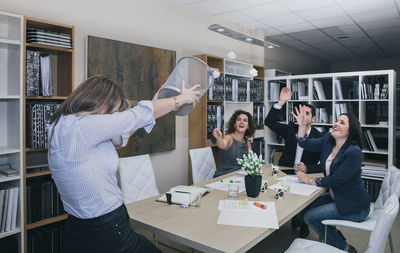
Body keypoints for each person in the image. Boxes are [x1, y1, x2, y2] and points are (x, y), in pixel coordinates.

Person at [48, 75, 200, 253]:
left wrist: (155, 102)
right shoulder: (83, 127)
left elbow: (122, 133)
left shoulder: (63, 125)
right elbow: (136, 116)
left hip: (78, 227)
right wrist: (180, 99)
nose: (114, 115)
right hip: (106, 227)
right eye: (113, 111)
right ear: (100, 100)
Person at [293, 105, 370, 252]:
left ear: (350, 130)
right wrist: (301, 125)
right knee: (303, 210)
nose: (336, 124)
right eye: (336, 120)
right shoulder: (328, 140)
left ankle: (344, 247)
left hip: (354, 205)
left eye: (342, 122)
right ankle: (335, 236)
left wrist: (308, 180)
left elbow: (336, 179)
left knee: (310, 217)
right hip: (336, 196)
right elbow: (304, 143)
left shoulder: (354, 152)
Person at [264, 87, 323, 174]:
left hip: (305, 175)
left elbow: (324, 165)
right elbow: (269, 122)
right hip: (284, 172)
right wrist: (280, 103)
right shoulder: (291, 129)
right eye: (301, 112)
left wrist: (307, 168)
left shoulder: (319, 137)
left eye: (306, 113)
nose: (302, 115)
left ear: (313, 119)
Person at [212, 110, 255, 177]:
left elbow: (251, 161)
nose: (241, 122)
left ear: (248, 126)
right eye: (239, 120)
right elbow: (222, 145)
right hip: (223, 177)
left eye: (245, 120)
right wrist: (219, 138)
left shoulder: (247, 142)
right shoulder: (229, 138)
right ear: (234, 123)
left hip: (238, 178)